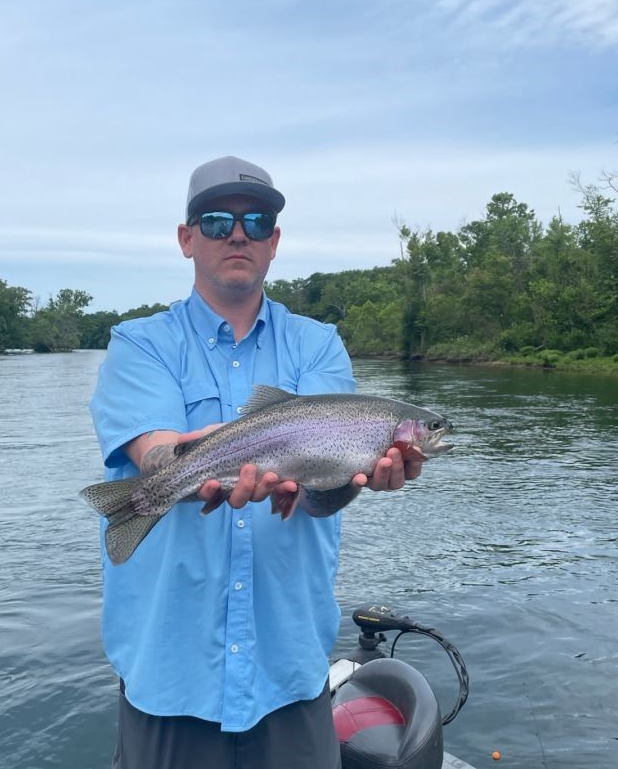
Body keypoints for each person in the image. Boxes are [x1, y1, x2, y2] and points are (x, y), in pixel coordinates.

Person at [89, 156, 425, 769]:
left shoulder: (318, 344)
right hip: (171, 677)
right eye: (216, 222)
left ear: (274, 242)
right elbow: (152, 449)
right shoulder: (138, 343)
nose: (237, 233)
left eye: (256, 221)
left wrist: (359, 477)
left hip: (288, 669)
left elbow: (323, 497)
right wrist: (200, 461)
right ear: (187, 238)